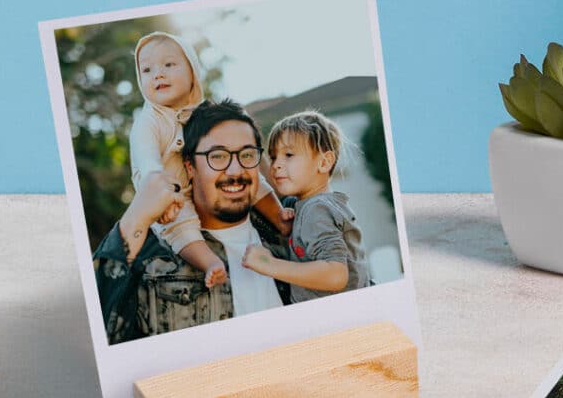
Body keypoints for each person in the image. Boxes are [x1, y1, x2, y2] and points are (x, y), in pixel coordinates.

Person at [94, 99, 289, 344]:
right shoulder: (153, 256)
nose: (234, 170)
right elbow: (102, 334)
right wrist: (136, 217)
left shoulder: (292, 236)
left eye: (247, 154)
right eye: (217, 156)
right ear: (190, 167)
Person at [129, 32, 289, 288]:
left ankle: (280, 217)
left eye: (169, 65)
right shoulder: (148, 122)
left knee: (244, 171)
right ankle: (210, 263)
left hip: (201, 185)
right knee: (182, 225)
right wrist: (163, 198)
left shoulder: (205, 114)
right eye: (147, 70)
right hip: (164, 195)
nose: (158, 74)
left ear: (193, 72)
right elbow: (149, 164)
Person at [242, 110, 370, 301]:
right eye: (273, 156)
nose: (275, 164)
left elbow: (336, 274)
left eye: (289, 154)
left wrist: (268, 264)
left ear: (324, 162)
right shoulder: (310, 206)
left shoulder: (316, 210)